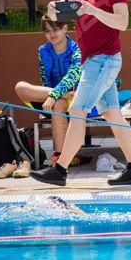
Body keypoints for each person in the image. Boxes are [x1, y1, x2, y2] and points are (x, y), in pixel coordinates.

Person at [30, 0, 131, 186]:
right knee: (112, 113)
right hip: (90, 60)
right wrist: (52, 9)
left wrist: (93, 10)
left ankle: (59, 170)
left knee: (77, 111)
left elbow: (123, 23)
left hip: (104, 60)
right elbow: (58, 14)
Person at [14, 16, 82, 168]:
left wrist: (54, 96)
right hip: (52, 98)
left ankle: (59, 156)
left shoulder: (77, 49)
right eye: (47, 31)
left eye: (55, 29)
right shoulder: (43, 50)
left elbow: (73, 75)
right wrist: (55, 95)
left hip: (74, 98)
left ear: (65, 28)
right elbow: (45, 80)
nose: (51, 34)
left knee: (58, 104)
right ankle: (59, 96)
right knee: (20, 87)